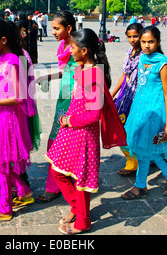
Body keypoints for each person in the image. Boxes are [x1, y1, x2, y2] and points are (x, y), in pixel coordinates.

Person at [46, 28, 126, 235]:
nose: (70, 50)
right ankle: (77, 208)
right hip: (71, 130)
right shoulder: (82, 69)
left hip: (82, 134)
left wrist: (68, 120)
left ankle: (83, 220)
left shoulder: (93, 75)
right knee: (58, 171)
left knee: (80, 179)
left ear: (84, 50)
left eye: (72, 47)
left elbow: (93, 115)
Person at [0, 19, 37, 221]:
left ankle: (5, 207)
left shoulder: (13, 60)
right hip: (1, 114)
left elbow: (20, 96)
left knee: (2, 162)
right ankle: (23, 191)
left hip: (8, 116)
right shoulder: (4, 57)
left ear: (3, 40)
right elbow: (7, 82)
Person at [122, 26, 167, 200]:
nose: (146, 45)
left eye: (151, 42)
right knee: (143, 146)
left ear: (158, 42)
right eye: (143, 42)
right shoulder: (142, 59)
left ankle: (140, 186)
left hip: (155, 113)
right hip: (140, 110)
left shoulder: (162, 63)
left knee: (144, 148)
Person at [35, 11, 79, 204]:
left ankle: (72, 181)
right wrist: (48, 76)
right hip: (64, 97)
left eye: (56, 28)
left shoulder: (79, 46)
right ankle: (55, 184)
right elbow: (66, 71)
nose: (52, 32)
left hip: (78, 98)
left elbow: (87, 71)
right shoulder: (64, 46)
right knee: (56, 139)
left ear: (68, 28)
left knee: (74, 140)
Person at [111, 23, 144, 177]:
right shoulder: (129, 52)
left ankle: (135, 162)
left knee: (135, 130)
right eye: (129, 36)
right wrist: (113, 94)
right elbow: (124, 76)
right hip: (125, 94)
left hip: (139, 96)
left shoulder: (146, 55)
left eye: (135, 36)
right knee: (121, 127)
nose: (132, 40)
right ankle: (132, 158)